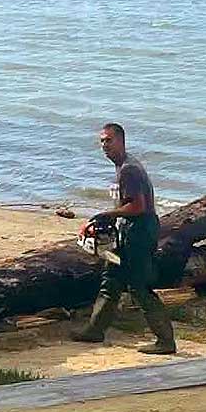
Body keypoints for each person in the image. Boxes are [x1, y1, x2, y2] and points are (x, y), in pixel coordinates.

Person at [70, 123, 176, 354]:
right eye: (102, 141)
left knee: (139, 286)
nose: (104, 146)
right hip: (126, 231)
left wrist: (106, 214)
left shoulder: (129, 170)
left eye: (108, 140)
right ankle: (95, 330)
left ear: (121, 141)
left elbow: (138, 206)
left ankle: (166, 341)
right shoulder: (124, 167)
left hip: (138, 233)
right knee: (111, 277)